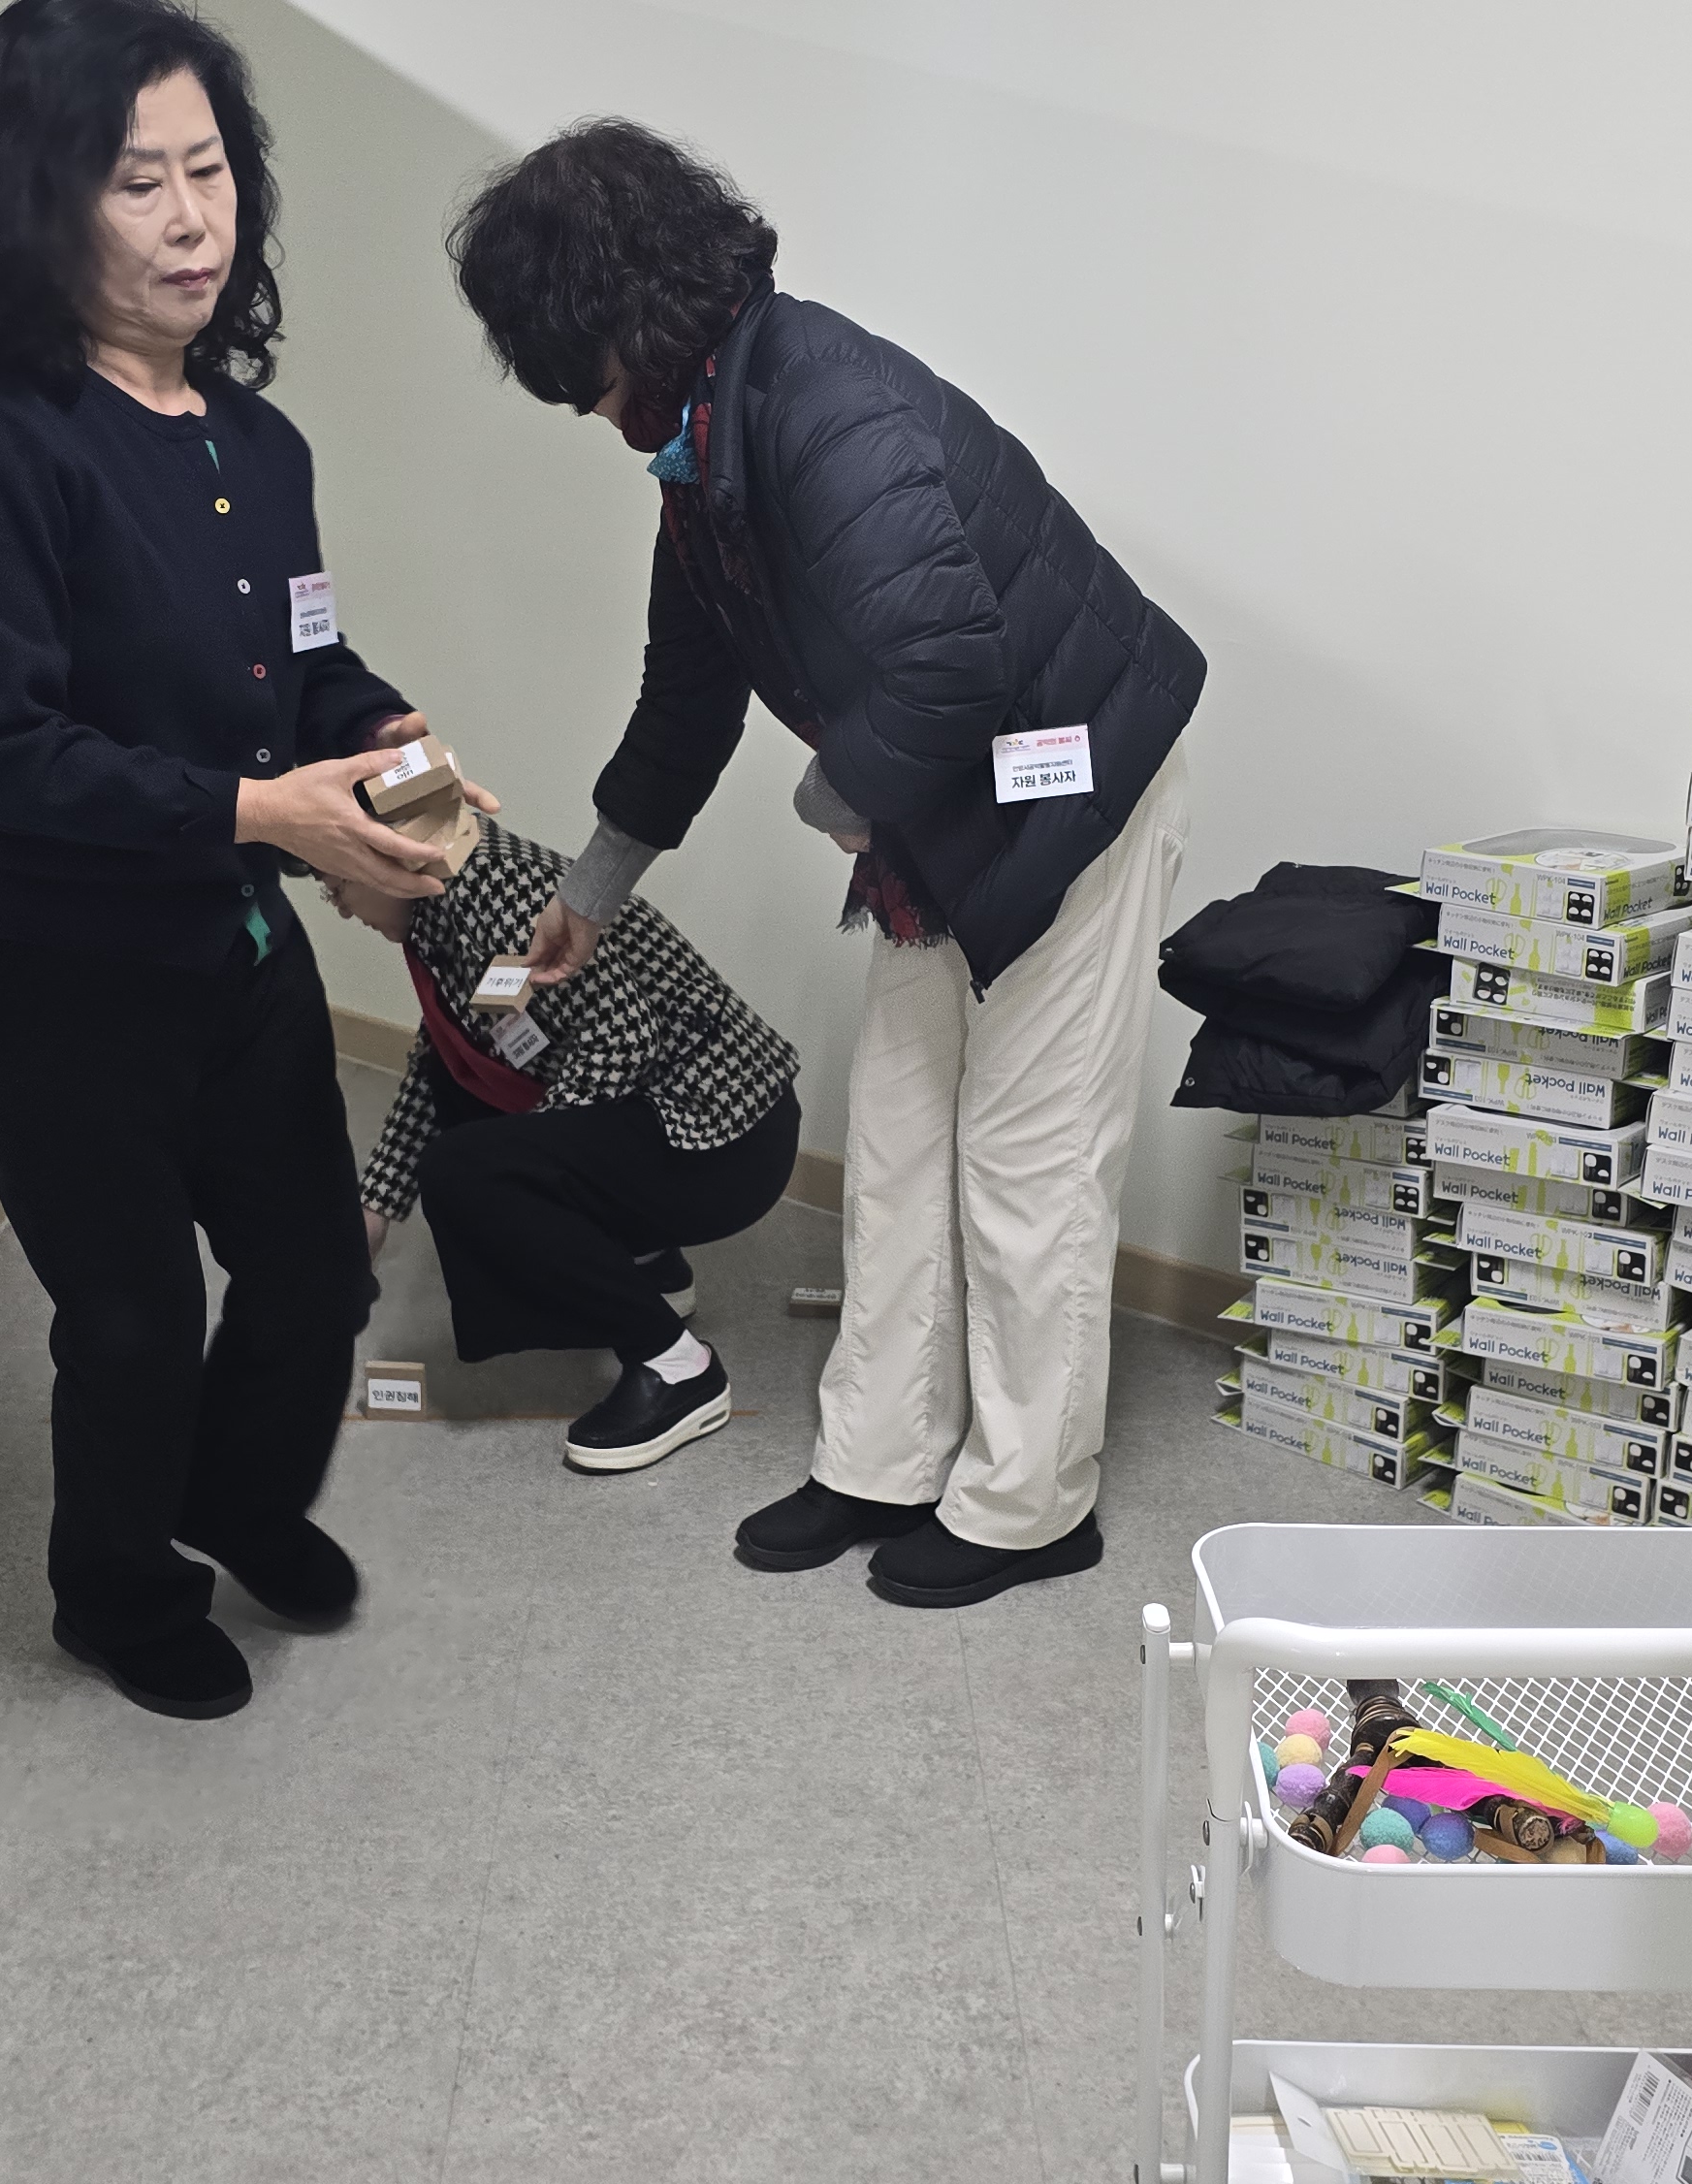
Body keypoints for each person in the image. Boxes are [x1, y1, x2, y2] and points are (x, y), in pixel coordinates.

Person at [448, 124, 1204, 1609]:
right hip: (948, 797)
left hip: (1075, 782)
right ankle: (879, 1460)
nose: (589, 414)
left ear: (630, 316)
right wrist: (589, 896)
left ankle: (1030, 1505)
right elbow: (687, 696)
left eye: (579, 374)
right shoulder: (710, 444)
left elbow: (946, 661)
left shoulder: (821, 405)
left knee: (1029, 1164)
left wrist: (833, 796)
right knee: (904, 1142)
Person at [0, 0, 488, 1718]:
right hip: (54, 973)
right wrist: (268, 814)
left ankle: (236, 1497)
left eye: (209, 172)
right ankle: (118, 1592)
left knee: (314, 1272)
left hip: (231, 948)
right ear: (34, 202)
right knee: (133, 1318)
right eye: (137, 182)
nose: (191, 219)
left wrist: (389, 744)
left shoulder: (254, 444)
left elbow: (301, 665)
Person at [312, 820, 803, 1471]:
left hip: (727, 1141)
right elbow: (449, 1059)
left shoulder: (496, 889)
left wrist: (531, 1170)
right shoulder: (448, 903)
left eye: (335, 887)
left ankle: (677, 1367)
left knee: (468, 1172)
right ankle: (650, 1268)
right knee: (466, 1108)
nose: (342, 909)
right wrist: (373, 1210)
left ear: (385, 858)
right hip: (689, 1121)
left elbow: (621, 1035)